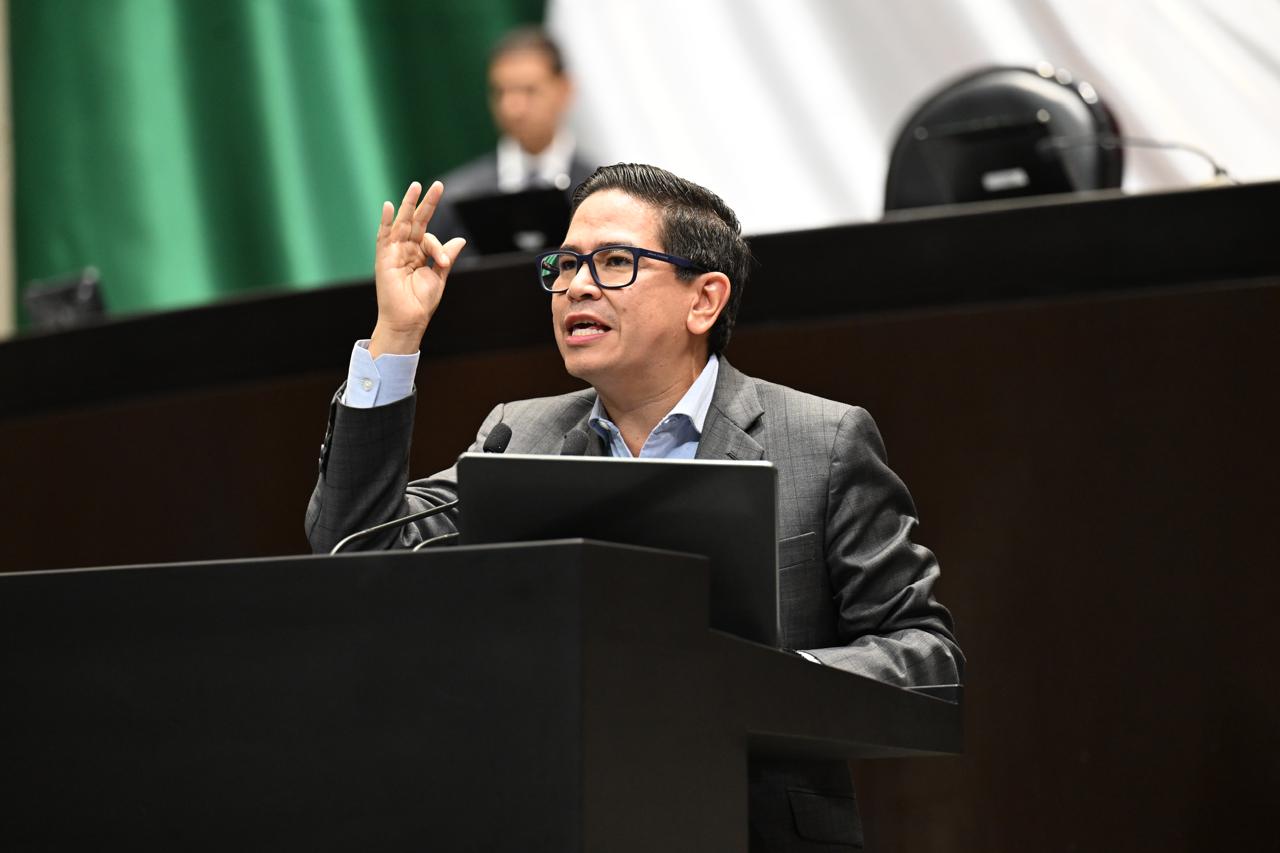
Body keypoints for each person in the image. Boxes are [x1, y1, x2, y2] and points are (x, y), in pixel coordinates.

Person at [307, 163, 963, 852]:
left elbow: (928, 662)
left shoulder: (821, 441)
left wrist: (755, 683)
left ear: (704, 300)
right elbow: (355, 549)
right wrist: (396, 334)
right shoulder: (518, 435)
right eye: (565, 265)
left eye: (615, 262)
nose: (576, 286)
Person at [426, 26, 597, 247]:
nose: (512, 107)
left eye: (529, 90)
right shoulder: (454, 199)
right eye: (501, 92)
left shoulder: (603, 194)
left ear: (565, 89)